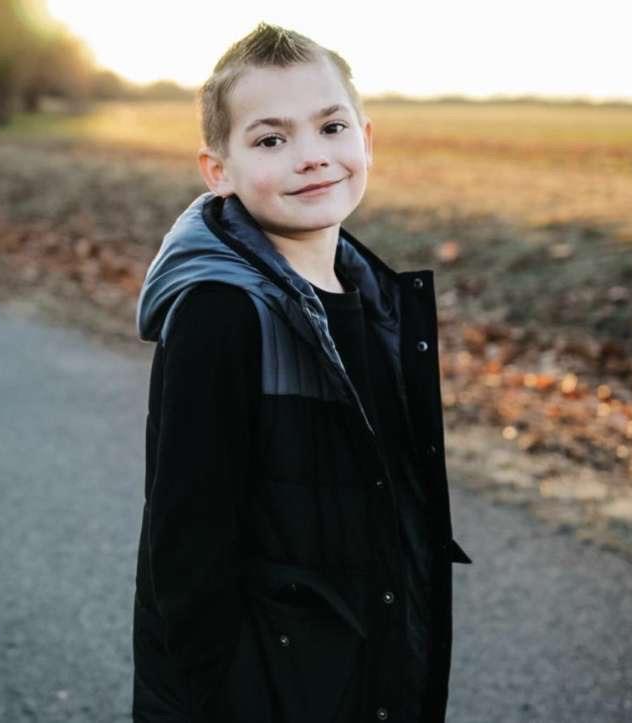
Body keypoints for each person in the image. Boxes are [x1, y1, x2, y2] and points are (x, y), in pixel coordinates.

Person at [131, 21, 472, 723]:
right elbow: (186, 552)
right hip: (258, 696)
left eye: (330, 127)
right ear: (217, 170)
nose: (311, 157)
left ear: (365, 140)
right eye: (270, 139)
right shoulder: (219, 314)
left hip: (367, 670)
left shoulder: (378, 301)